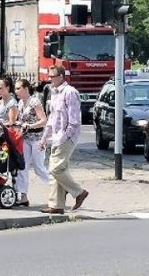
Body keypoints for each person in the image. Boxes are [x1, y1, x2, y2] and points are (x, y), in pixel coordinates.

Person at [39, 65, 88, 214]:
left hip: (66, 137)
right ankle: (56, 206)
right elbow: (52, 118)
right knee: (56, 171)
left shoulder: (70, 92)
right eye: (49, 76)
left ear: (61, 76)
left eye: (52, 76)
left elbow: (74, 120)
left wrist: (65, 136)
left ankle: (79, 192)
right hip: (56, 137)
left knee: (56, 169)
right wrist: (44, 138)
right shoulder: (54, 93)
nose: (50, 79)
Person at [14, 79, 50, 207]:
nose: (16, 91)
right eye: (16, 88)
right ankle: (22, 196)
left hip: (37, 139)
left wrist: (30, 125)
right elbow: (20, 120)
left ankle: (58, 187)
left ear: (26, 89)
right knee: (22, 167)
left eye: (18, 88)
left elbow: (44, 120)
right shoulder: (20, 103)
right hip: (25, 139)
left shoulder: (34, 101)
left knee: (39, 167)